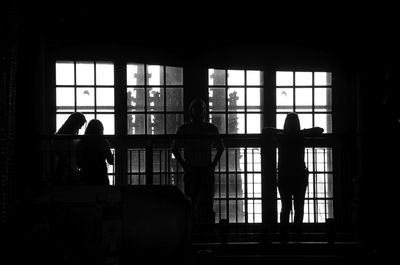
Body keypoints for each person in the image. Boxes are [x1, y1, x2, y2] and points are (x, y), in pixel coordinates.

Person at [263, 112, 323, 242]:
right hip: (300, 175)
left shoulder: (281, 137)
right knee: (299, 206)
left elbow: (266, 130)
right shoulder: (300, 137)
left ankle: (284, 234)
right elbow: (320, 130)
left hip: (284, 175)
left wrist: (285, 132)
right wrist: (301, 132)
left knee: (285, 206)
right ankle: (297, 233)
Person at [171, 99, 225, 224]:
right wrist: (213, 164)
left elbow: (174, 148)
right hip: (205, 168)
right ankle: (208, 231)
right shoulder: (210, 128)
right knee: (207, 201)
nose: (199, 110)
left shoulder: (184, 128)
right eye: (198, 108)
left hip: (192, 168)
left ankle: (191, 232)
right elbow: (221, 147)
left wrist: (185, 166)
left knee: (191, 201)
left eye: (200, 108)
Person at [76, 119, 114, 185]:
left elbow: (78, 161)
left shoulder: (83, 141)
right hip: (101, 174)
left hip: (86, 173)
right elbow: (111, 161)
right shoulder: (103, 142)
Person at [53, 112, 86, 185]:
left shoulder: (62, 134)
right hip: (66, 164)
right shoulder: (67, 136)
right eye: (80, 125)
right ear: (75, 123)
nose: (80, 128)